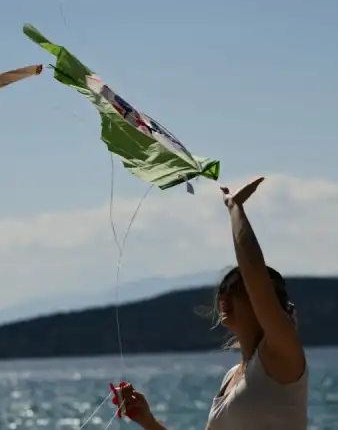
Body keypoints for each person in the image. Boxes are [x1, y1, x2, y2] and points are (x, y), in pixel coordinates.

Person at [118, 177, 309, 429]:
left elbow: (253, 269)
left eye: (236, 289)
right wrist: (147, 419)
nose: (224, 297)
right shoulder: (233, 377)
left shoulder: (281, 353)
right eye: (223, 290)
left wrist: (235, 208)